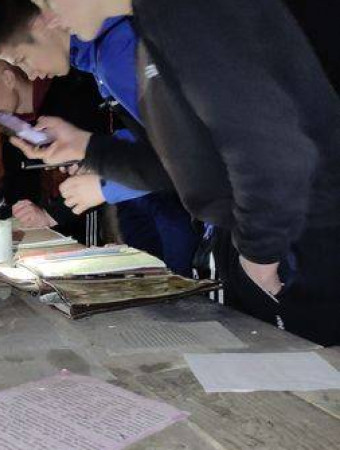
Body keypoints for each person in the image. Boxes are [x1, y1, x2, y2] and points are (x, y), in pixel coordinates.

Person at [19, 0, 340, 345]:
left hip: (300, 239)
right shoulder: (152, 25)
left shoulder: (188, 13)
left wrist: (259, 254)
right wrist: (89, 148)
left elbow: (272, 148)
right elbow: (182, 160)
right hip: (266, 234)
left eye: (47, 1)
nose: (49, 18)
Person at [0, 0, 199, 276]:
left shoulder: (116, 50)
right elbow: (151, 135)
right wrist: (95, 156)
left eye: (23, 60)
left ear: (42, 22)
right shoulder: (97, 56)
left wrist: (104, 186)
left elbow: (178, 152)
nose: (31, 74)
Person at [0, 40, 114, 241]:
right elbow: (11, 187)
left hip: (101, 231)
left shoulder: (75, 94)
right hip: (52, 236)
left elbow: (100, 171)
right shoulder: (12, 124)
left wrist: (50, 214)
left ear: (8, 78)